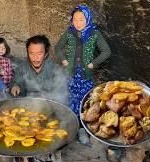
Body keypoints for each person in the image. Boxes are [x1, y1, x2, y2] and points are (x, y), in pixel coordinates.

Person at [54, 4, 111, 145]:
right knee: (69, 98)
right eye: (75, 19)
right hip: (70, 74)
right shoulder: (69, 33)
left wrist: (93, 63)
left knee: (84, 101)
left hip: (85, 75)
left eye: (81, 19)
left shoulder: (94, 34)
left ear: (87, 19)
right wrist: (64, 60)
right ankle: (69, 126)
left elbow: (106, 51)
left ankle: (82, 129)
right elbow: (58, 48)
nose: (78, 23)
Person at [10, 35, 68, 104]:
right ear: (28, 54)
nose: (35, 58)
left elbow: (61, 94)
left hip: (49, 107)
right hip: (27, 106)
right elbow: (14, 82)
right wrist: (14, 86)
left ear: (46, 54)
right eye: (32, 54)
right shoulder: (22, 68)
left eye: (39, 54)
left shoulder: (55, 69)